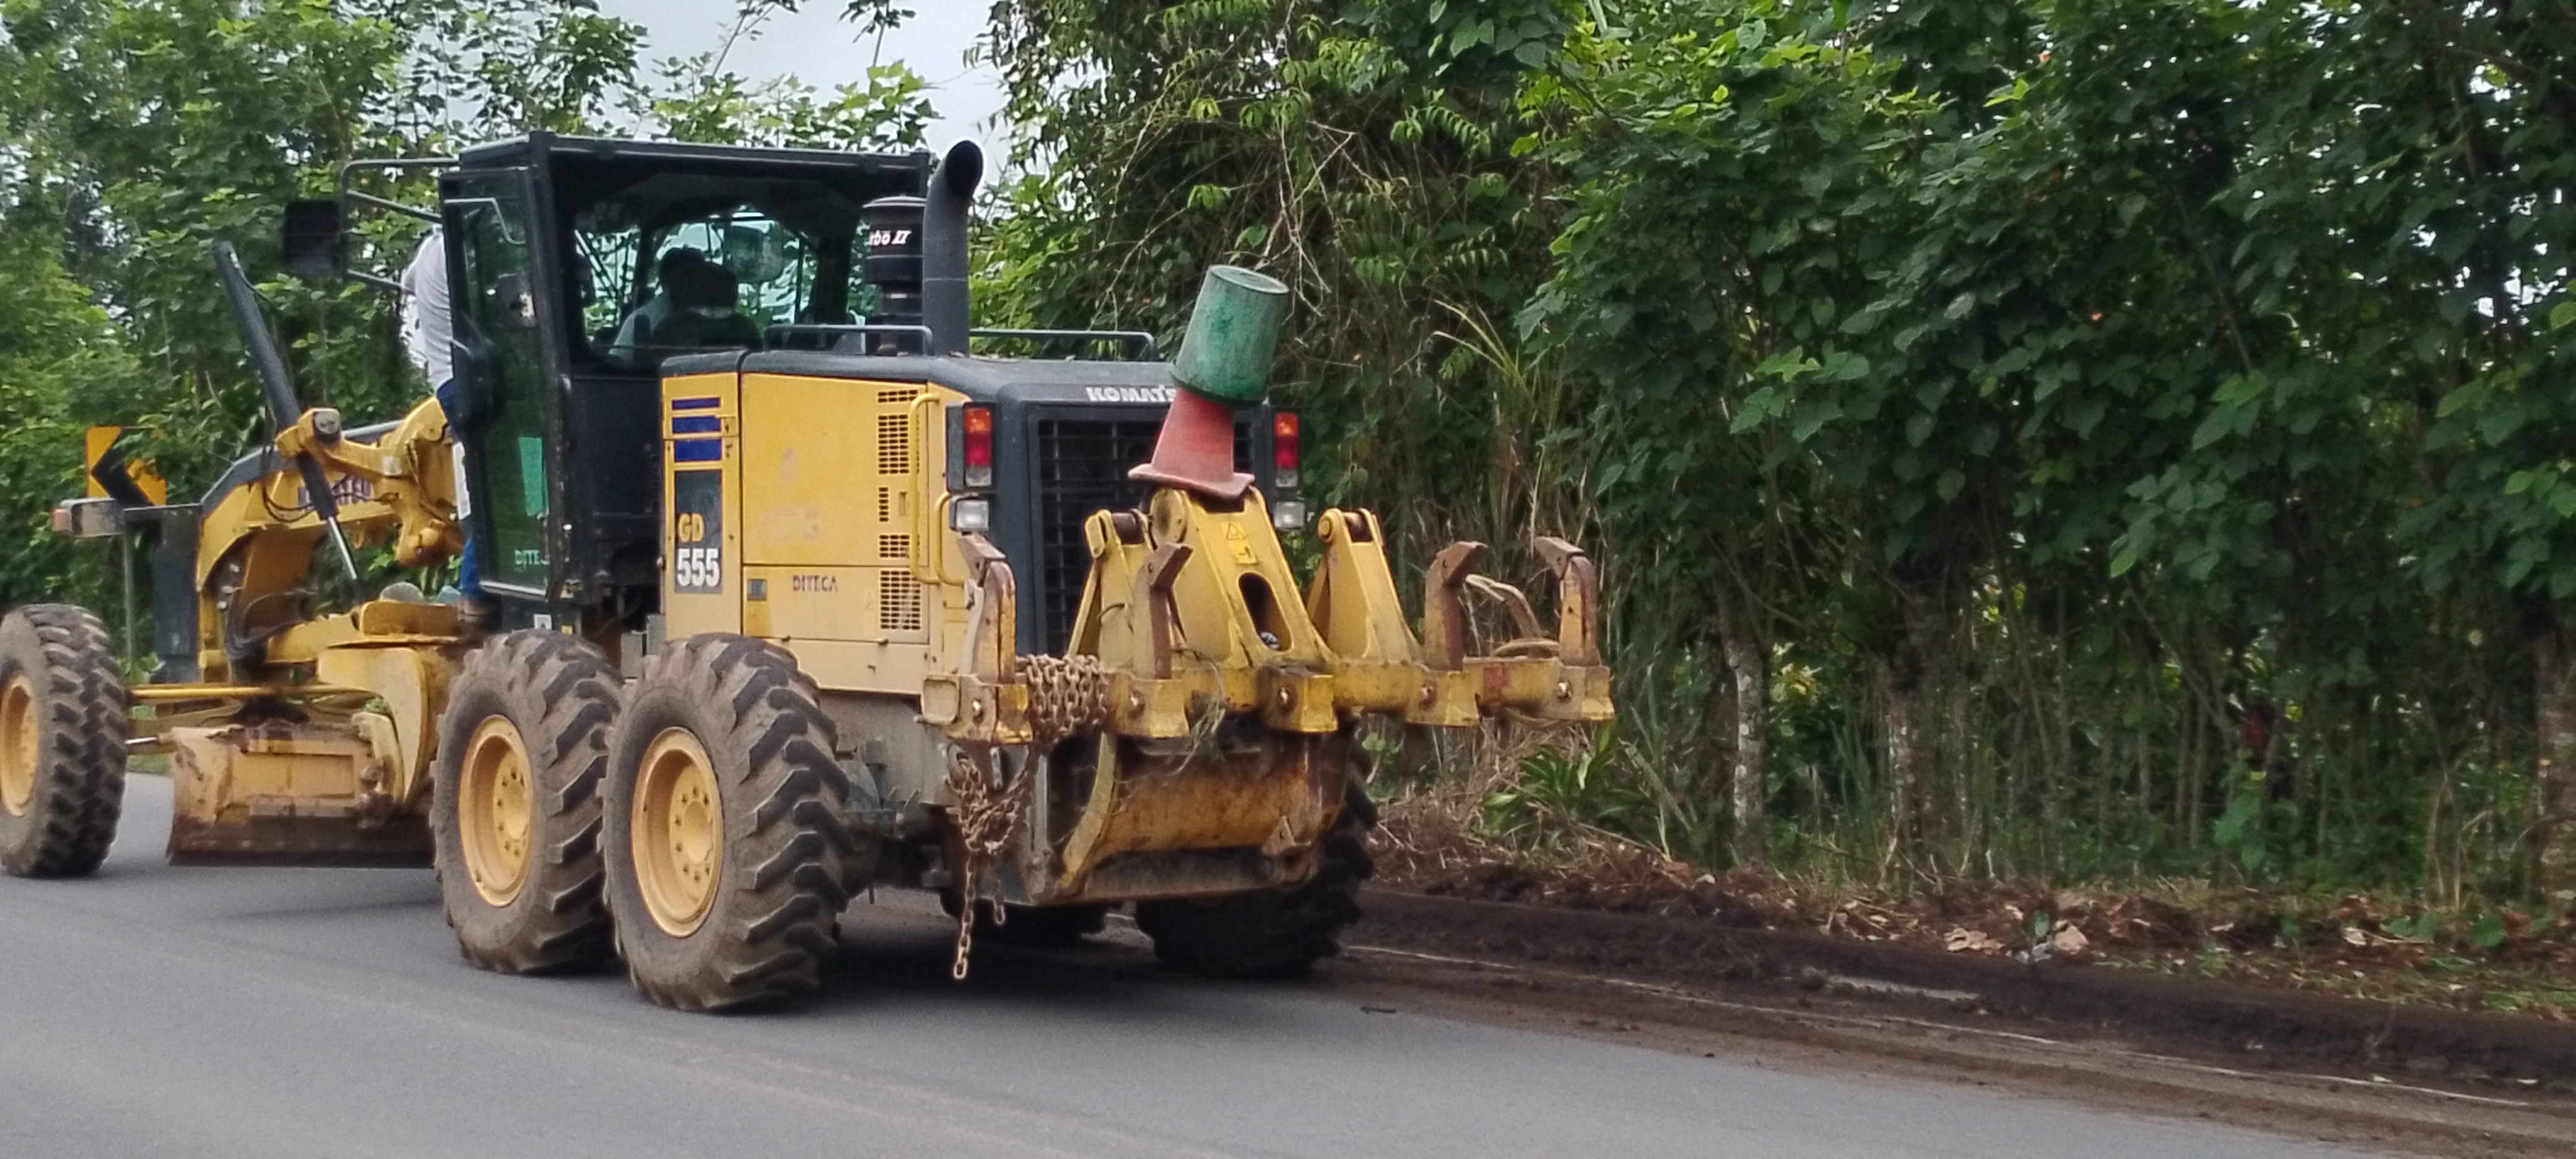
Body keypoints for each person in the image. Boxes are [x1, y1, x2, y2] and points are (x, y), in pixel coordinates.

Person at [400, 227, 495, 633]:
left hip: (447, 381)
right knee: (499, 494)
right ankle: (474, 595)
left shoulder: (430, 249)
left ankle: (476, 591)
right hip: (471, 379)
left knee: (481, 486)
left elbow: (406, 283)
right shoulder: (462, 245)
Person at [607, 247, 716, 365]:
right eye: (685, 275)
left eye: (698, 273)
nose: (691, 280)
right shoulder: (646, 317)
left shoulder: (721, 318)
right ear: (666, 279)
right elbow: (617, 364)